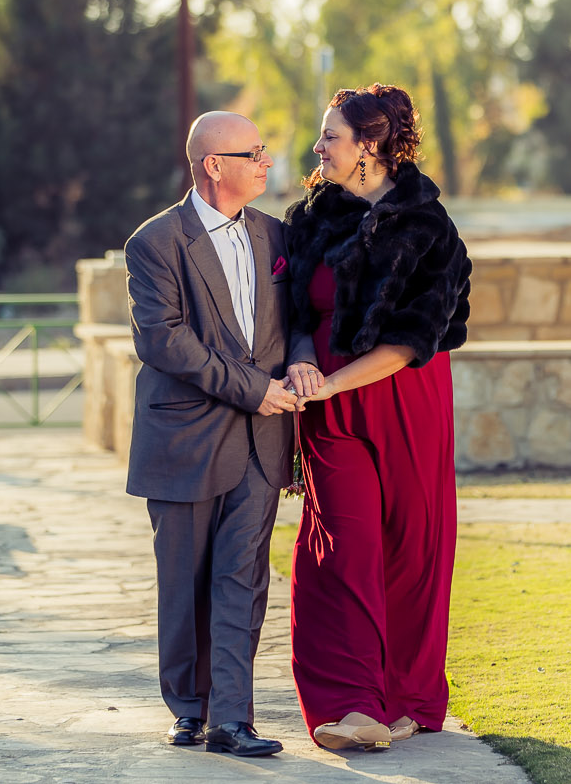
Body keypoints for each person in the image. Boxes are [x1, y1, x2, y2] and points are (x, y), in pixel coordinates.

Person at [124, 111, 319, 758]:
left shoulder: (276, 235)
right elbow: (164, 341)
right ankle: (189, 707)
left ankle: (232, 719)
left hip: (263, 444)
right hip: (184, 439)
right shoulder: (154, 243)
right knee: (183, 583)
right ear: (214, 165)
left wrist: (299, 358)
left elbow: (297, 318)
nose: (267, 162)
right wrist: (253, 389)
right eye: (254, 152)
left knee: (243, 580)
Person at [282, 85, 470, 751]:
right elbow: (295, 315)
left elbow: (412, 339)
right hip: (329, 408)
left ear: (368, 145)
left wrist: (330, 381)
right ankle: (349, 704)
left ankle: (410, 697)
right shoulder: (310, 217)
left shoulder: (429, 225)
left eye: (328, 136)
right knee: (342, 544)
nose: (318, 147)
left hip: (405, 394)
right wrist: (305, 365)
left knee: (413, 544)